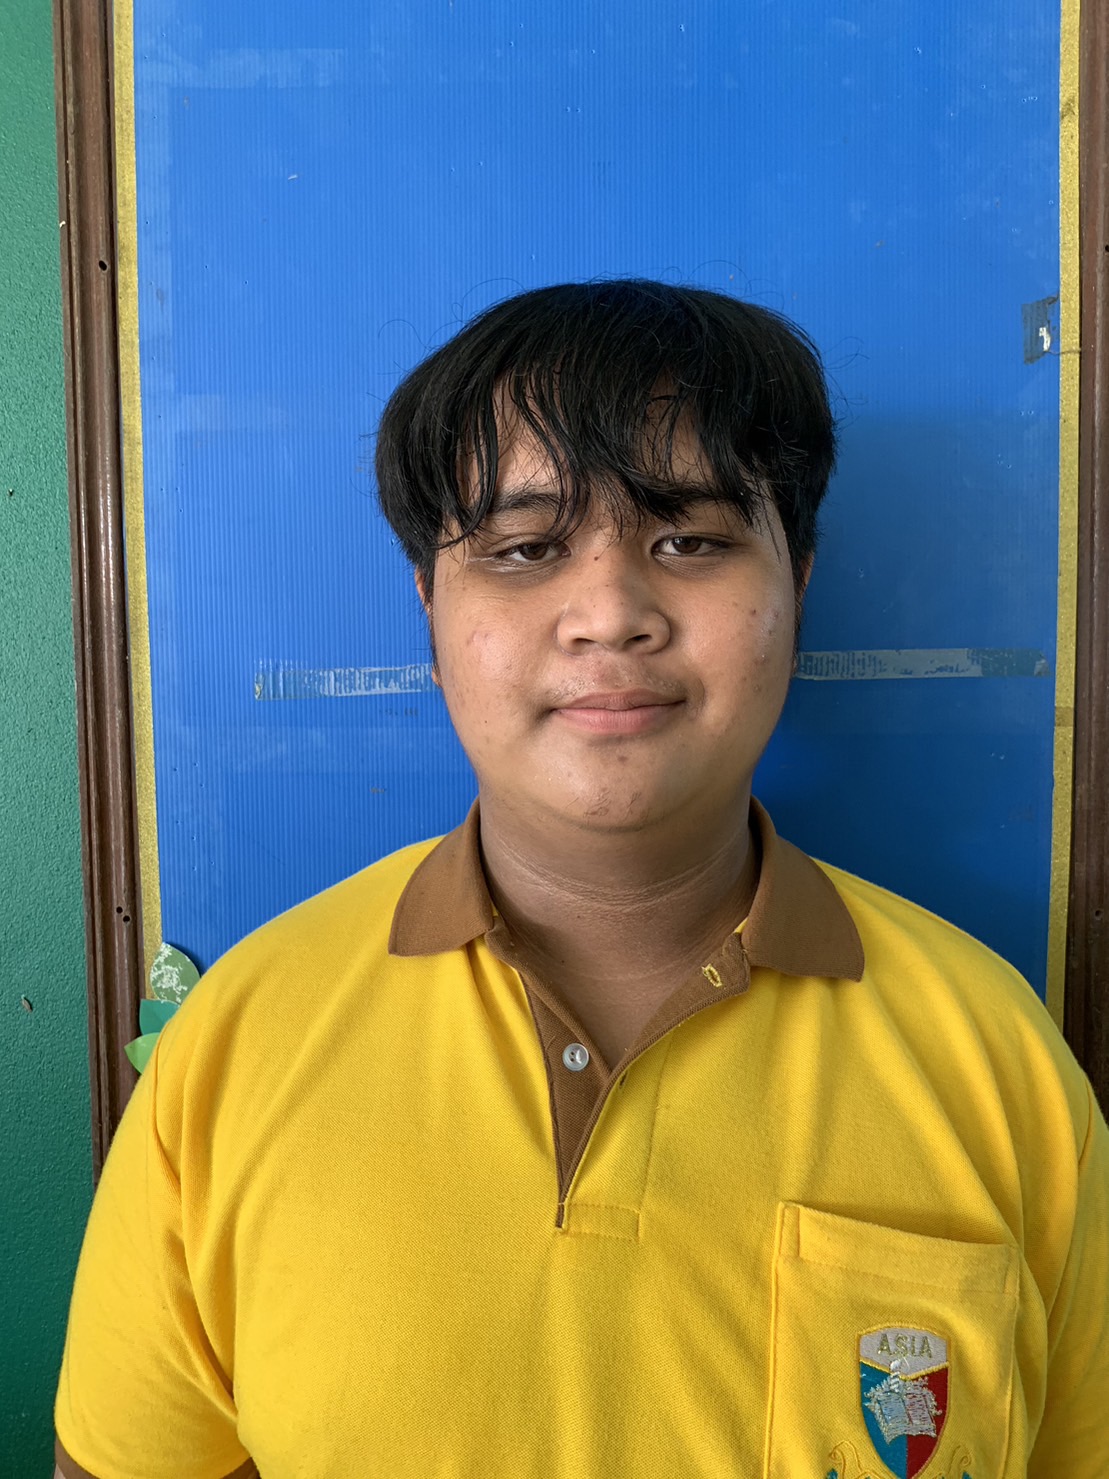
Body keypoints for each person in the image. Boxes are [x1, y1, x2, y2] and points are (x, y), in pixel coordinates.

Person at [54, 280, 1108, 1479]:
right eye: (523, 550)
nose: (608, 614)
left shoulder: (995, 1060)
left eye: (690, 540)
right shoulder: (241, 1044)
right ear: (429, 606)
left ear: (797, 580)